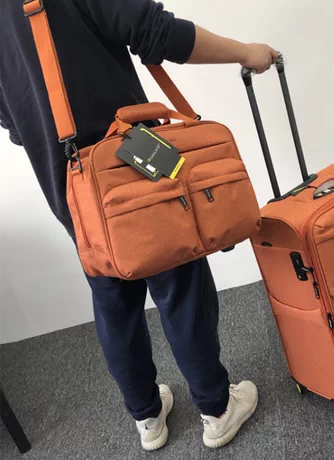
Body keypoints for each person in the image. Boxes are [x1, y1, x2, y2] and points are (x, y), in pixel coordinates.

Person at [0, 0, 277, 451]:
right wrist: (246, 52)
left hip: (68, 181)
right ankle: (217, 408)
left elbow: (13, 121)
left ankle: (147, 417)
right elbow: (156, 32)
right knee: (180, 285)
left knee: (112, 296)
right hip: (131, 160)